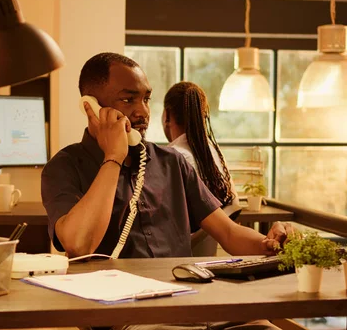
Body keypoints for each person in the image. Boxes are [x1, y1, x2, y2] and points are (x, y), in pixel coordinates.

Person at [41, 52, 293, 330]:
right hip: (127, 314)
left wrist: (267, 244)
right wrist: (113, 156)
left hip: (192, 301)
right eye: (128, 100)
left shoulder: (172, 163)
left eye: (146, 99)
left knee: (264, 327)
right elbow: (79, 243)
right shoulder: (63, 168)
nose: (143, 112)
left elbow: (229, 233)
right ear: (90, 107)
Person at [162, 81, 241, 256]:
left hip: (177, 256)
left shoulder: (174, 157)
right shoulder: (214, 153)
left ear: (166, 115)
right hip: (207, 251)